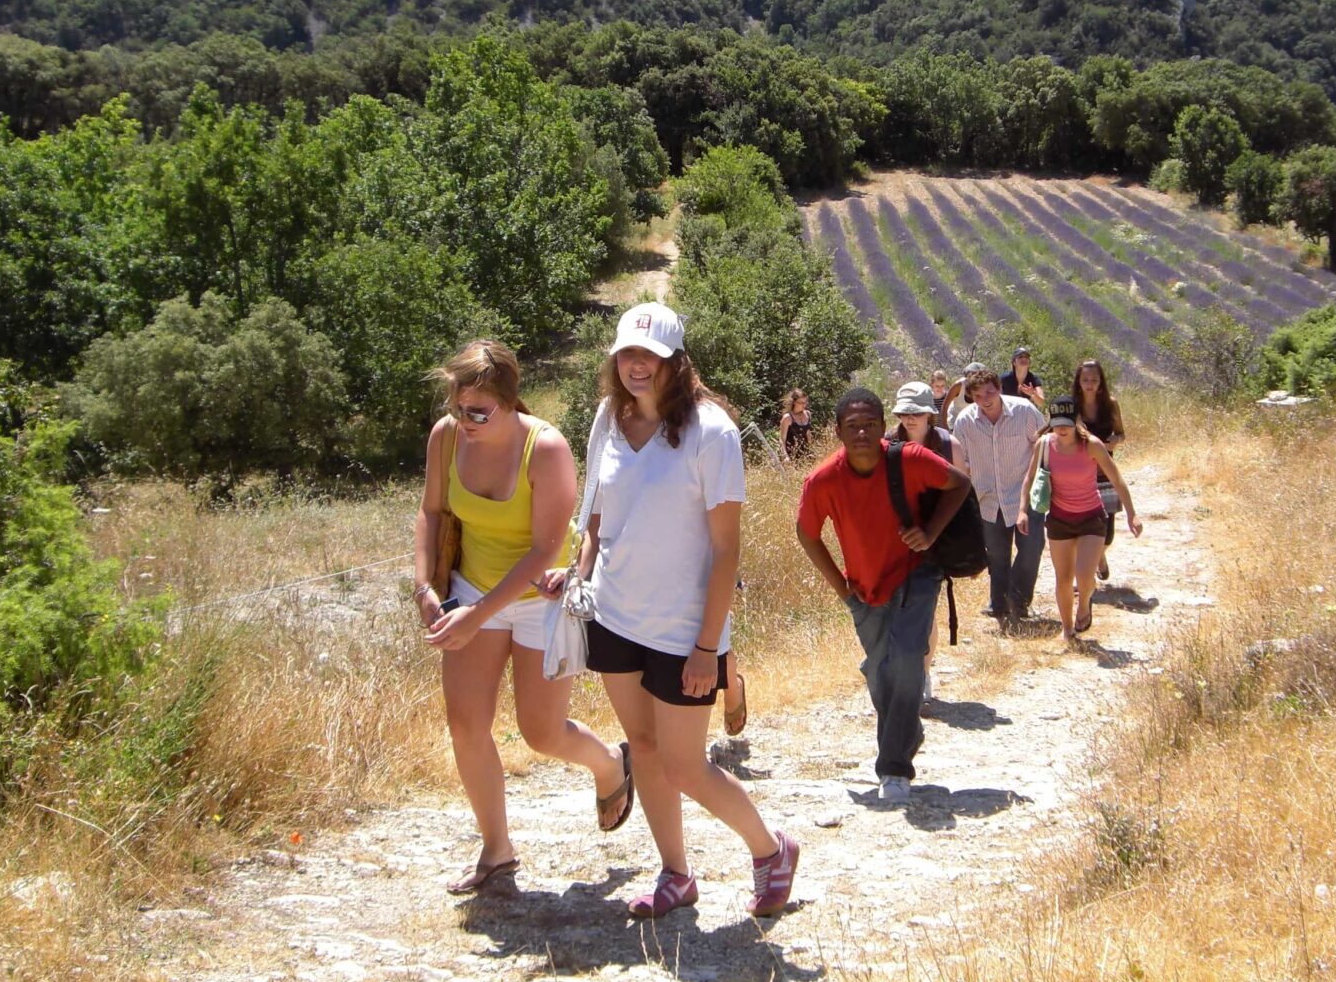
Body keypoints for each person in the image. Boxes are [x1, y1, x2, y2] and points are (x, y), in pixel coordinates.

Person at [541, 303, 798, 920]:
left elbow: (725, 547)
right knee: (644, 749)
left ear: (677, 362)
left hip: (685, 631)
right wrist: (576, 577)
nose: (637, 366)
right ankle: (675, 874)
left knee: (685, 763)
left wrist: (708, 647)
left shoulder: (713, 432)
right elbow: (596, 521)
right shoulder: (608, 416)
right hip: (615, 617)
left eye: (651, 356)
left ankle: (771, 850)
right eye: (628, 353)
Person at [414, 341, 632, 897]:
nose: (464, 420)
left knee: (542, 733)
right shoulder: (446, 439)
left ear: (510, 401)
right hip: (471, 591)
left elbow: (544, 551)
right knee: (466, 724)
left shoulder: (547, 449)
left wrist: (477, 615)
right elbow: (432, 512)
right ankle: (496, 850)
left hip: (541, 599)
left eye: (477, 412)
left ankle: (610, 765)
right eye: (456, 407)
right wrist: (423, 586)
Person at [797, 388, 973, 804]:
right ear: (839, 431)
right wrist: (841, 585)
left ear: (882, 428)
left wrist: (929, 534)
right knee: (881, 670)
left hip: (917, 574)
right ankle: (906, 730)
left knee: (909, 658)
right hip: (864, 589)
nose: (861, 432)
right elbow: (806, 532)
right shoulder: (823, 479)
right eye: (852, 426)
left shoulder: (909, 459)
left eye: (870, 425)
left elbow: (959, 483)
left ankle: (893, 768)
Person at [1020, 397, 1142, 641]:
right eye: (1057, 424)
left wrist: (1132, 513)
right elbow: (1029, 478)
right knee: (1063, 579)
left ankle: (1084, 604)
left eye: (1067, 423)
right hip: (1059, 519)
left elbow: (1117, 479)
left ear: (1077, 421)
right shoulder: (1044, 445)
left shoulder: (1092, 445)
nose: (1062, 429)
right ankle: (1067, 628)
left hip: (1091, 518)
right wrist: (1022, 510)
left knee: (1085, 576)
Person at [947, 368, 1048, 624]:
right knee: (997, 556)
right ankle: (1000, 605)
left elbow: (1043, 444)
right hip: (988, 500)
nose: (986, 399)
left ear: (999, 389)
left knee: (1031, 550)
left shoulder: (1024, 411)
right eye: (978, 395)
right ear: (971, 397)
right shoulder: (965, 422)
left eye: (990, 392)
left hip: (1025, 497)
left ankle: (1019, 600)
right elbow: (962, 462)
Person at [890, 383, 950, 709]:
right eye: (904, 412)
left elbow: (959, 495)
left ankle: (922, 673)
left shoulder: (947, 445)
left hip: (933, 542)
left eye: (915, 412)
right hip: (893, 542)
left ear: (929, 413)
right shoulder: (885, 445)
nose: (909, 418)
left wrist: (935, 534)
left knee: (925, 609)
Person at [1072, 360, 1127, 582]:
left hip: (1105, 473)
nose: (1089, 384)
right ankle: (1084, 578)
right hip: (1078, 475)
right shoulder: (1072, 405)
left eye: (1094, 380)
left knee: (1107, 532)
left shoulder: (1110, 404)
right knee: (1079, 529)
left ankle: (1100, 557)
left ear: (1101, 381)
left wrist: (1116, 440)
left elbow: (1121, 433)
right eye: (1085, 380)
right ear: (1078, 382)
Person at [777, 388, 813, 465]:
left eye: (805, 402)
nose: (804, 405)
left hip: (806, 455)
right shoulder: (787, 418)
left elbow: (808, 434)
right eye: (801, 402)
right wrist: (785, 456)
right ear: (794, 402)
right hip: (791, 456)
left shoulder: (808, 414)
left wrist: (812, 450)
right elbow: (782, 439)